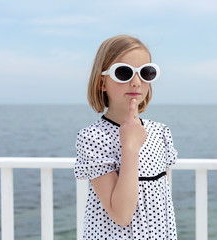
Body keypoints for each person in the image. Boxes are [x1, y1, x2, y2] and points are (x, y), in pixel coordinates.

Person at [74, 35, 178, 240]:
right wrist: (129, 146)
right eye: (124, 73)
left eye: (146, 73)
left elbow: (163, 202)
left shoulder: (160, 132)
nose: (136, 82)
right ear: (102, 82)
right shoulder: (93, 138)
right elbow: (121, 215)